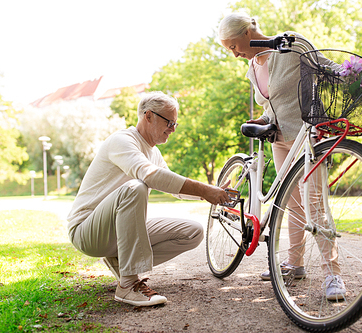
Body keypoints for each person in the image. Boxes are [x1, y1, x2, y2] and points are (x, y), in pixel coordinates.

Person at [218, 12, 346, 300]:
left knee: (315, 207)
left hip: (308, 138)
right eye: (229, 50)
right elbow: (271, 105)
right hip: (279, 141)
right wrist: (264, 119)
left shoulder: (289, 44)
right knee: (292, 205)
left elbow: (327, 67)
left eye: (233, 46)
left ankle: (333, 275)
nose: (234, 54)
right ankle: (295, 264)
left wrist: (357, 74)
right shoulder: (253, 66)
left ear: (246, 33)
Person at [67, 91, 231, 307]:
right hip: (87, 231)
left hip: (116, 232)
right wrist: (205, 189)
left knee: (193, 232)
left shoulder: (153, 153)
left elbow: (176, 189)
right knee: (136, 187)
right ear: (148, 116)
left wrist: (209, 192)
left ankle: (122, 262)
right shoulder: (122, 140)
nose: (173, 129)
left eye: (175, 124)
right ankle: (128, 285)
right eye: (169, 122)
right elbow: (150, 175)